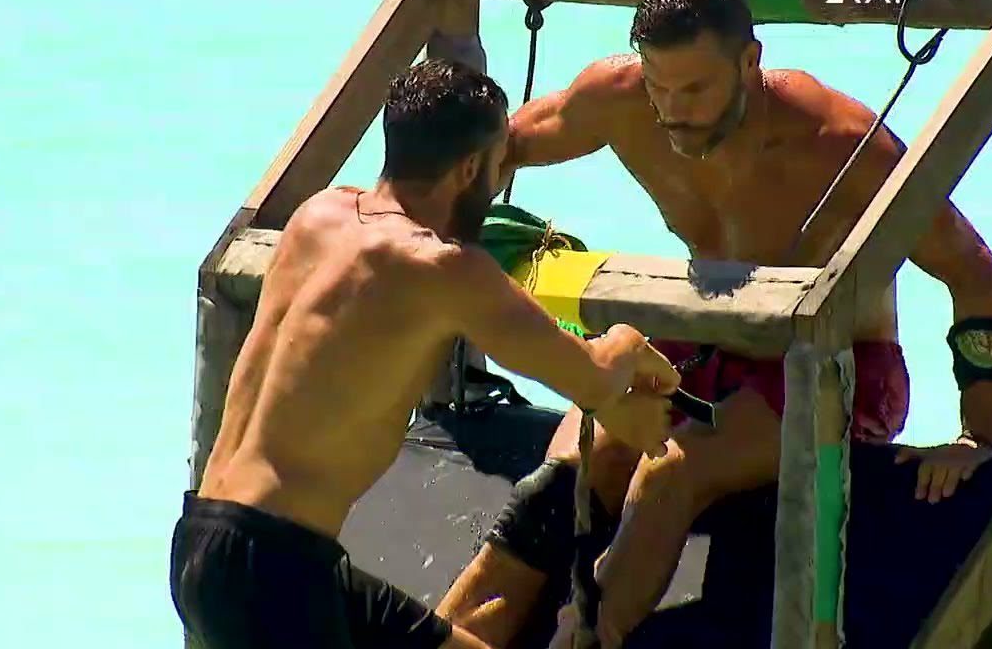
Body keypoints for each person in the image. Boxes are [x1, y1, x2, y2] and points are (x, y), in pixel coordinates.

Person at [434, 0, 992, 648]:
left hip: (833, 366)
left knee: (672, 471)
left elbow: (976, 272)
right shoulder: (621, 100)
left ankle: (585, 637)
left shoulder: (837, 145)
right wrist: (435, 233)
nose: (673, 110)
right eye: (659, 85)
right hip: (700, 344)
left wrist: (979, 437)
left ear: (749, 62)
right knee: (573, 469)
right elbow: (492, 151)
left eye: (695, 89)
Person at [168, 57, 684, 649]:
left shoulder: (319, 215)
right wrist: (631, 342)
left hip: (207, 537)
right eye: (498, 166)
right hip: (272, 571)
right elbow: (591, 378)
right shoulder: (441, 267)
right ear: (470, 168)